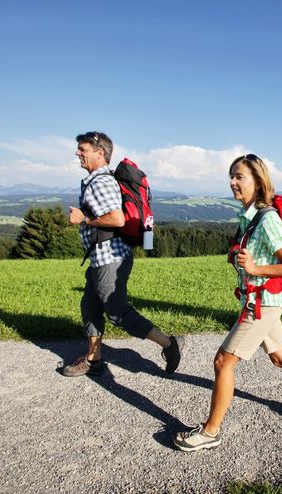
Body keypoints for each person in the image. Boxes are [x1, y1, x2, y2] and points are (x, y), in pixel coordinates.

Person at [174, 154, 282, 452]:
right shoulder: (248, 218)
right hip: (260, 300)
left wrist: (256, 269)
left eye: (239, 177)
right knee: (280, 357)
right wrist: (237, 258)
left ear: (258, 183)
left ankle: (210, 432)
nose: (233, 182)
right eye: (231, 176)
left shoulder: (267, 218)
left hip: (263, 304)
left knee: (223, 362)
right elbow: (249, 257)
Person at [61, 131, 180, 377]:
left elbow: (117, 218)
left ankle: (169, 344)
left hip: (111, 258)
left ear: (100, 153)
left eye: (82, 149)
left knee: (117, 313)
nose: (78, 153)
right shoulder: (98, 179)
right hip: (101, 257)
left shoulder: (102, 181)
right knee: (90, 306)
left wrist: (83, 218)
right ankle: (94, 360)